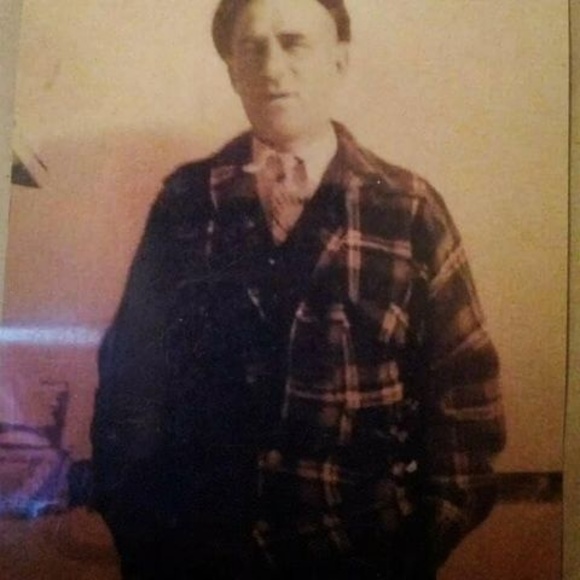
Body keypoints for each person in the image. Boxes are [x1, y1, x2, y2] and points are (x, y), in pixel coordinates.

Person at [91, 1, 506, 578]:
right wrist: (144, 538)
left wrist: (408, 554)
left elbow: (467, 402)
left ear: (339, 59)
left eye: (294, 42)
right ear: (232, 70)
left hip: (362, 557)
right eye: (252, 48)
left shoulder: (409, 210)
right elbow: (129, 385)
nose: (272, 67)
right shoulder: (184, 203)